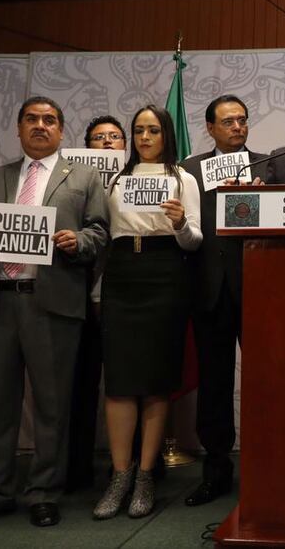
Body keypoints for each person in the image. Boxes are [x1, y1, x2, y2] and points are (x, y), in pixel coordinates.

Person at [0, 96, 108, 530]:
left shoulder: (85, 177)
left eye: (50, 120)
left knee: (53, 405)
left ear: (61, 131)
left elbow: (100, 232)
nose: (41, 126)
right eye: (32, 120)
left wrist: (80, 241)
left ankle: (43, 491)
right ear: (19, 128)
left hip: (52, 302)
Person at [93, 104, 202, 520]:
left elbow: (194, 240)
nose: (144, 137)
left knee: (156, 379)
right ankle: (119, 476)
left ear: (166, 135)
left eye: (153, 130)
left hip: (166, 274)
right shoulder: (116, 179)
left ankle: (145, 475)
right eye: (138, 130)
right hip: (122, 274)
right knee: (119, 380)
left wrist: (178, 223)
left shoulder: (182, 179)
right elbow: (104, 234)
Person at [180, 95, 265, 506]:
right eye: (228, 122)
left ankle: (270, 466)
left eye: (242, 120)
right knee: (214, 387)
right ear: (210, 128)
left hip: (260, 289)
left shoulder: (269, 166)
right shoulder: (189, 169)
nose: (237, 127)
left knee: (267, 383)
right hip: (210, 291)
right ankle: (215, 472)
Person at [64, 115, 128, 493]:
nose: (107, 143)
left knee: (127, 385)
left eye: (115, 137)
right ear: (85, 146)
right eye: (99, 138)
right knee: (79, 385)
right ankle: (75, 468)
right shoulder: (71, 182)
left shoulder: (138, 181)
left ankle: (133, 465)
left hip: (124, 299)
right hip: (77, 297)